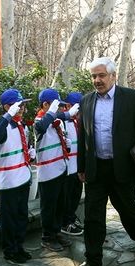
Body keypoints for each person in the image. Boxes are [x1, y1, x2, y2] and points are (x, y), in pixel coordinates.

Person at [76, 57, 135, 266]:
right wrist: (81, 166)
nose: (97, 80)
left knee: (128, 211)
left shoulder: (131, 98)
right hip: (96, 169)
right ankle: (93, 260)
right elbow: (83, 136)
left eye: (101, 75)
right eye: (94, 76)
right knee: (93, 217)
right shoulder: (86, 101)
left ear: (113, 76)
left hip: (122, 168)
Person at [0, 88, 34, 264]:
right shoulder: (4, 125)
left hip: (23, 177)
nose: (23, 108)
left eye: (23, 105)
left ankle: (19, 246)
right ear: (7, 107)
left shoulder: (22, 126)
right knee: (9, 218)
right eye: (19, 105)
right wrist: (9, 114)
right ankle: (10, 250)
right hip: (9, 180)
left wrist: (30, 153)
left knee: (21, 215)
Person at [34, 88, 79, 251]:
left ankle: (56, 231)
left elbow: (65, 116)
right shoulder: (40, 120)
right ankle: (47, 236)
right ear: (45, 105)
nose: (59, 108)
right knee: (49, 206)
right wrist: (52, 113)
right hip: (48, 172)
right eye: (55, 105)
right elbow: (40, 127)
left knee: (60, 204)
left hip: (61, 168)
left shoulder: (55, 120)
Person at [60, 92, 84, 236]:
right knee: (67, 196)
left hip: (77, 167)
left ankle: (71, 217)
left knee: (76, 194)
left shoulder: (77, 122)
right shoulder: (63, 120)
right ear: (68, 106)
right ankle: (65, 222)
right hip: (67, 167)